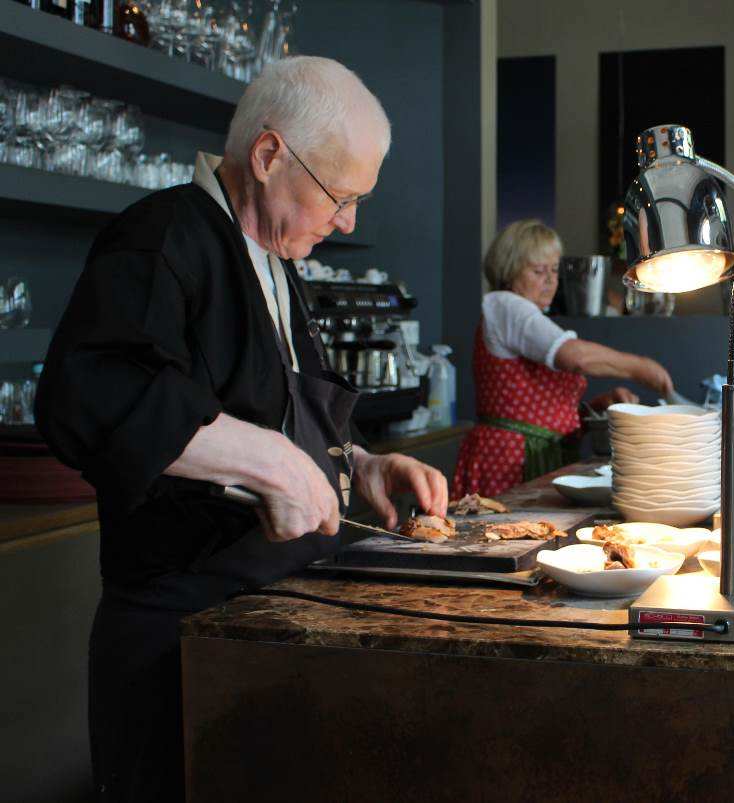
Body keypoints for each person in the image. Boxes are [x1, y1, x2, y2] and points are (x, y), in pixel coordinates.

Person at [34, 57, 449, 802]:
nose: (348, 221)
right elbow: (86, 392)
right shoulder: (161, 236)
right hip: (179, 642)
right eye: (339, 195)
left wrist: (360, 464)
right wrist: (266, 462)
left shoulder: (277, 259)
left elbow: (275, 411)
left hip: (268, 624)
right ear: (267, 156)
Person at [452, 220, 673, 497]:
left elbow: (541, 410)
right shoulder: (506, 305)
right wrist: (641, 367)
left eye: (554, 270)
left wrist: (597, 406)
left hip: (537, 456)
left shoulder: (526, 317)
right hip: (509, 459)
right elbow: (575, 357)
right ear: (509, 273)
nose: (550, 281)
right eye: (538, 271)